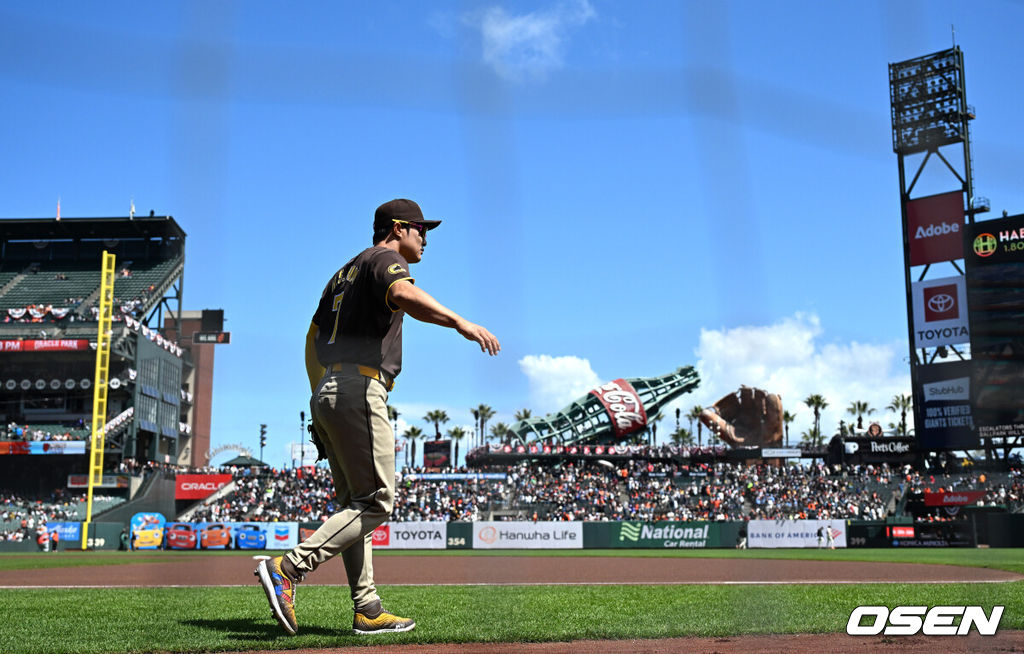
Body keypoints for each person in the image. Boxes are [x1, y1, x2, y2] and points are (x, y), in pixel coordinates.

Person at [256, 198, 500, 636]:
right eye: (421, 229)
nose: (425, 238)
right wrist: (460, 322)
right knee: (376, 502)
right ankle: (288, 568)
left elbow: (312, 337)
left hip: (329, 388)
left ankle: (367, 608)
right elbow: (403, 294)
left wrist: (320, 394)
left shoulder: (342, 273)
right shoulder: (384, 258)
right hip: (359, 388)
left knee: (355, 505)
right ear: (399, 228)